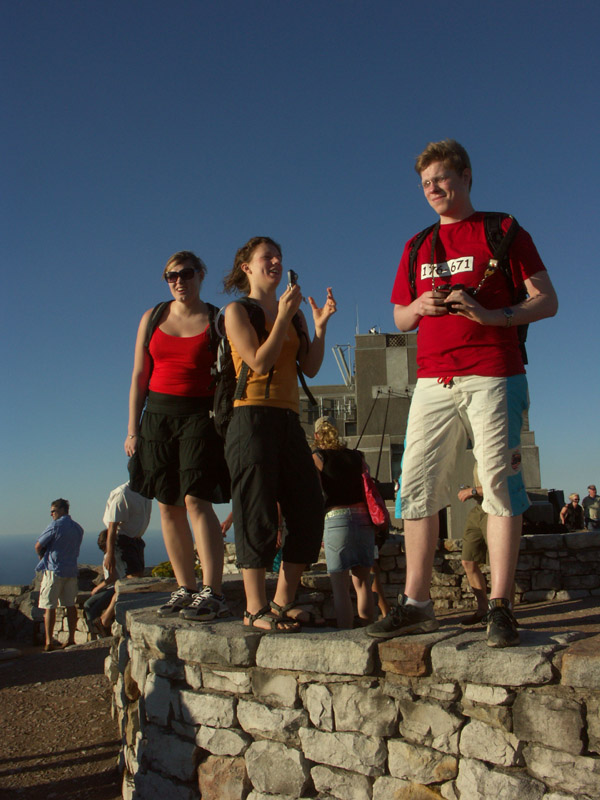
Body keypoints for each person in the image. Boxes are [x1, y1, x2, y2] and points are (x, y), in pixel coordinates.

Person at [367, 138, 558, 648]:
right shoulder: (417, 245)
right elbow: (400, 317)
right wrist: (420, 307)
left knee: (498, 484)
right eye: (425, 183)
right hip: (433, 380)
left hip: (493, 373)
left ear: (466, 176)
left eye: (442, 179)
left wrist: (493, 315)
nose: (433, 189)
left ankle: (500, 606)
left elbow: (547, 300)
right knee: (415, 487)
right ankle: (417, 605)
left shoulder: (504, 230)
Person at [223, 235, 336, 632]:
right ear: (247, 268)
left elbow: (311, 367)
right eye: (266, 257)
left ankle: (282, 600)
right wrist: (284, 317)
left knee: (308, 507)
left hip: (288, 419)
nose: (275, 262)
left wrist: (318, 328)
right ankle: (254, 608)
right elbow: (258, 362)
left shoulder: (294, 314)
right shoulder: (238, 311)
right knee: (256, 510)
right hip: (250, 417)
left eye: (278, 256)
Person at [125, 251, 231, 621]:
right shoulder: (153, 317)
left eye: (186, 274)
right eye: (171, 276)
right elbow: (140, 375)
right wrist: (132, 429)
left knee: (196, 499)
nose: (178, 281)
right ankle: (185, 587)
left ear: (201, 274)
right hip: (157, 416)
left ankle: (213, 590)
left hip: (200, 416)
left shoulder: (217, 319)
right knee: (167, 504)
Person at [312, 416, 375, 628]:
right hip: (363, 518)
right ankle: (368, 629)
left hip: (336, 519)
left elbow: (314, 495)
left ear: (316, 435)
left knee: (340, 587)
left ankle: (346, 633)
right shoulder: (357, 456)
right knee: (363, 583)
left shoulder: (317, 457)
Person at [35, 499, 84, 651]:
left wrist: (42, 558)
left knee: (49, 606)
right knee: (70, 605)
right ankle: (71, 639)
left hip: (54, 570)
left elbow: (38, 545)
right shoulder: (78, 528)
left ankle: (49, 642)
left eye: (53, 511)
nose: (51, 514)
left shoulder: (55, 526)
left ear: (62, 510)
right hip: (71, 570)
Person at [102, 481, 152, 579]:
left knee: (138, 575)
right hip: (123, 540)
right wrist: (110, 554)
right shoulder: (123, 493)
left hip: (137, 540)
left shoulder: (145, 492)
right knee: (133, 577)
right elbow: (112, 525)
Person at [83, 529, 127, 637]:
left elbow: (112, 577)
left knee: (91, 607)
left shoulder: (112, 556)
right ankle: (98, 631)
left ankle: (99, 632)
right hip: (113, 586)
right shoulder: (115, 553)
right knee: (88, 605)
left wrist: (98, 587)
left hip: (115, 587)